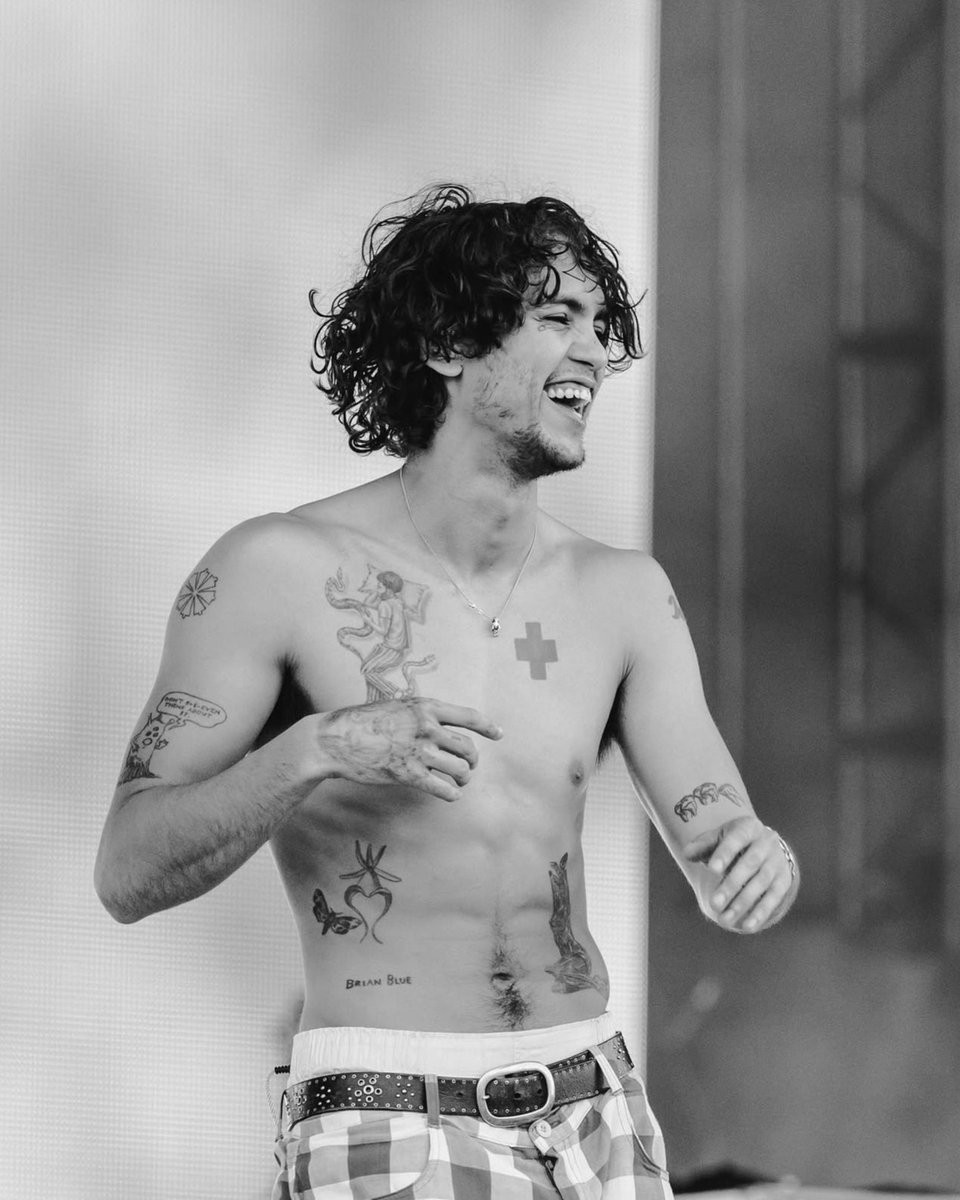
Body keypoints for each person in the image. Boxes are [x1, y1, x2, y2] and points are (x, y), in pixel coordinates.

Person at [95, 184, 799, 1200]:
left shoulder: (625, 595)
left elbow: (720, 837)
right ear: (447, 345)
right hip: (391, 1116)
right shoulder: (275, 569)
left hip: (598, 1111)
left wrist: (758, 861)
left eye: (600, 325)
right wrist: (318, 747)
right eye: (557, 316)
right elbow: (127, 870)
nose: (596, 353)